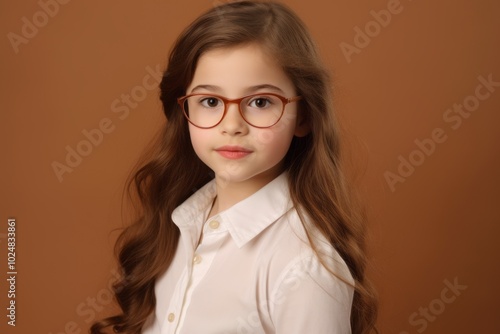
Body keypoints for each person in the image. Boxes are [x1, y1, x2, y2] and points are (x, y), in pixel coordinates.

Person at [91, 1, 378, 333]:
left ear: (304, 116)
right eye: (210, 102)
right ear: (184, 110)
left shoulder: (305, 267)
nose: (232, 125)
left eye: (259, 102)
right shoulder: (179, 223)